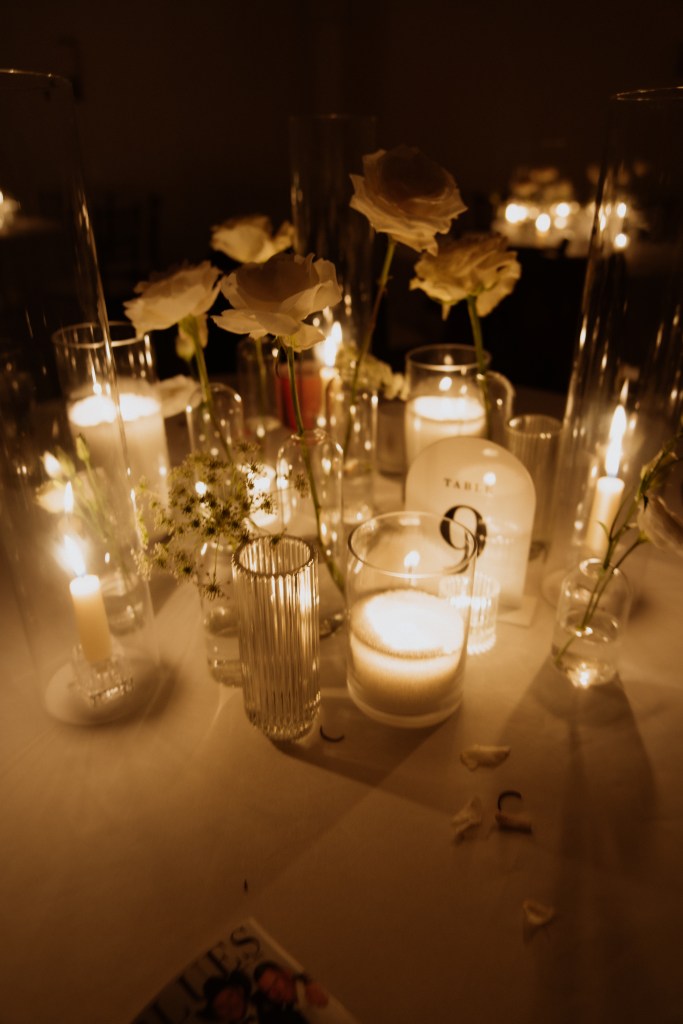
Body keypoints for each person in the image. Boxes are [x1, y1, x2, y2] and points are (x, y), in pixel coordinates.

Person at [252, 961, 329, 1023]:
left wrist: (309, 982)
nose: (275, 992)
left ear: (286, 974)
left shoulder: (315, 991)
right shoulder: (287, 1011)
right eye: (268, 991)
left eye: (275, 982)